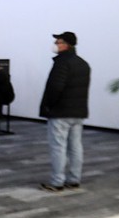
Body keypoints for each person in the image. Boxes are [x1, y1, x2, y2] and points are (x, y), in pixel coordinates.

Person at [39, 31, 91, 192]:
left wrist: (49, 106)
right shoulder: (83, 64)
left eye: (58, 42)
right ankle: (74, 179)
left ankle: (57, 181)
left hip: (61, 113)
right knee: (75, 147)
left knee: (58, 147)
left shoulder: (62, 63)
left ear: (66, 44)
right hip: (78, 112)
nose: (55, 45)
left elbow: (55, 88)